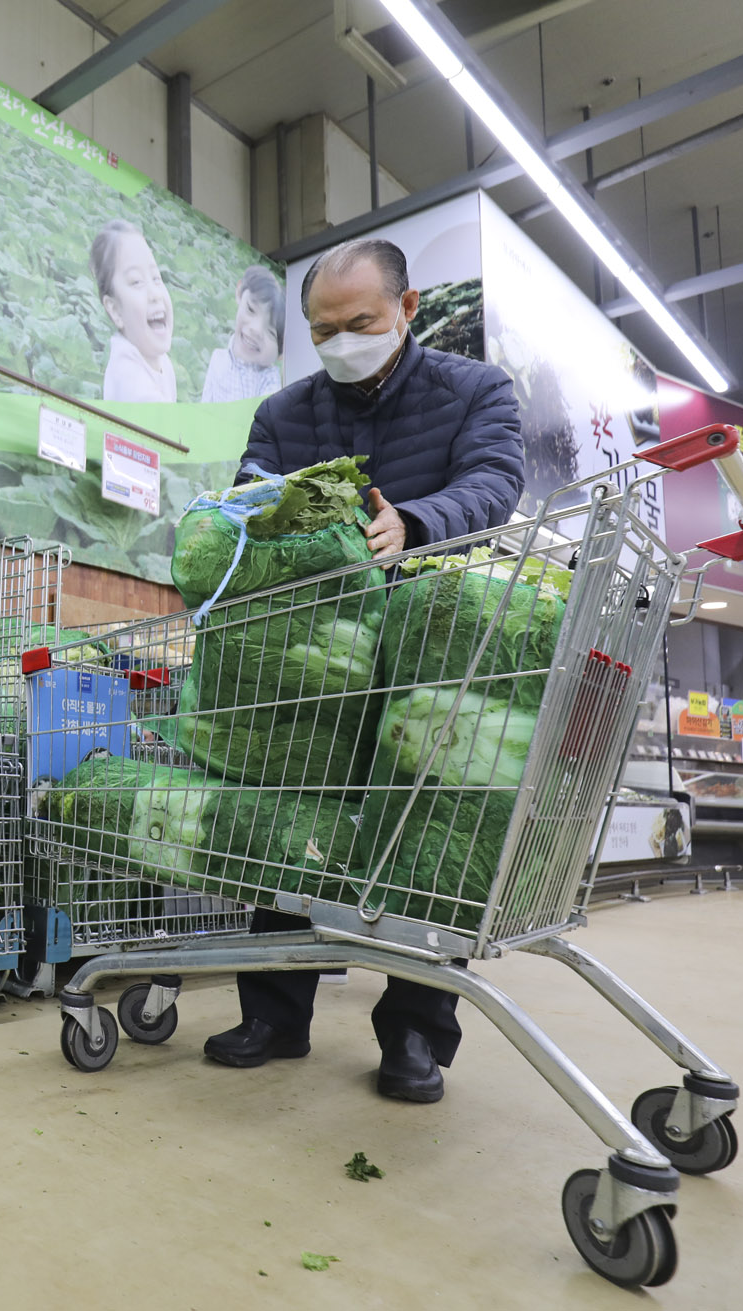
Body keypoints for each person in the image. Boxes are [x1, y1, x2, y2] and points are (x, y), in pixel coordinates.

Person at [202, 237, 524, 1104]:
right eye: (324, 329)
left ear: (407, 309)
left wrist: (413, 523)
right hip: (318, 655)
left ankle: (416, 1032)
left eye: (362, 323)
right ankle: (274, 1011)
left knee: (427, 835)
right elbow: (250, 510)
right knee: (287, 815)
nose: (343, 341)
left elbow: (495, 481)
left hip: (433, 649)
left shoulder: (475, 391)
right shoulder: (284, 413)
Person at [90, 219, 176, 403]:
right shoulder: (126, 373)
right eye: (136, 281)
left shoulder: (163, 362)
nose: (155, 294)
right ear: (115, 311)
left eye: (156, 278)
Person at [200, 265, 283, 402]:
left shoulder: (270, 380)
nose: (256, 329)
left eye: (270, 331)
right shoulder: (218, 359)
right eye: (251, 309)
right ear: (239, 292)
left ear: (281, 353)